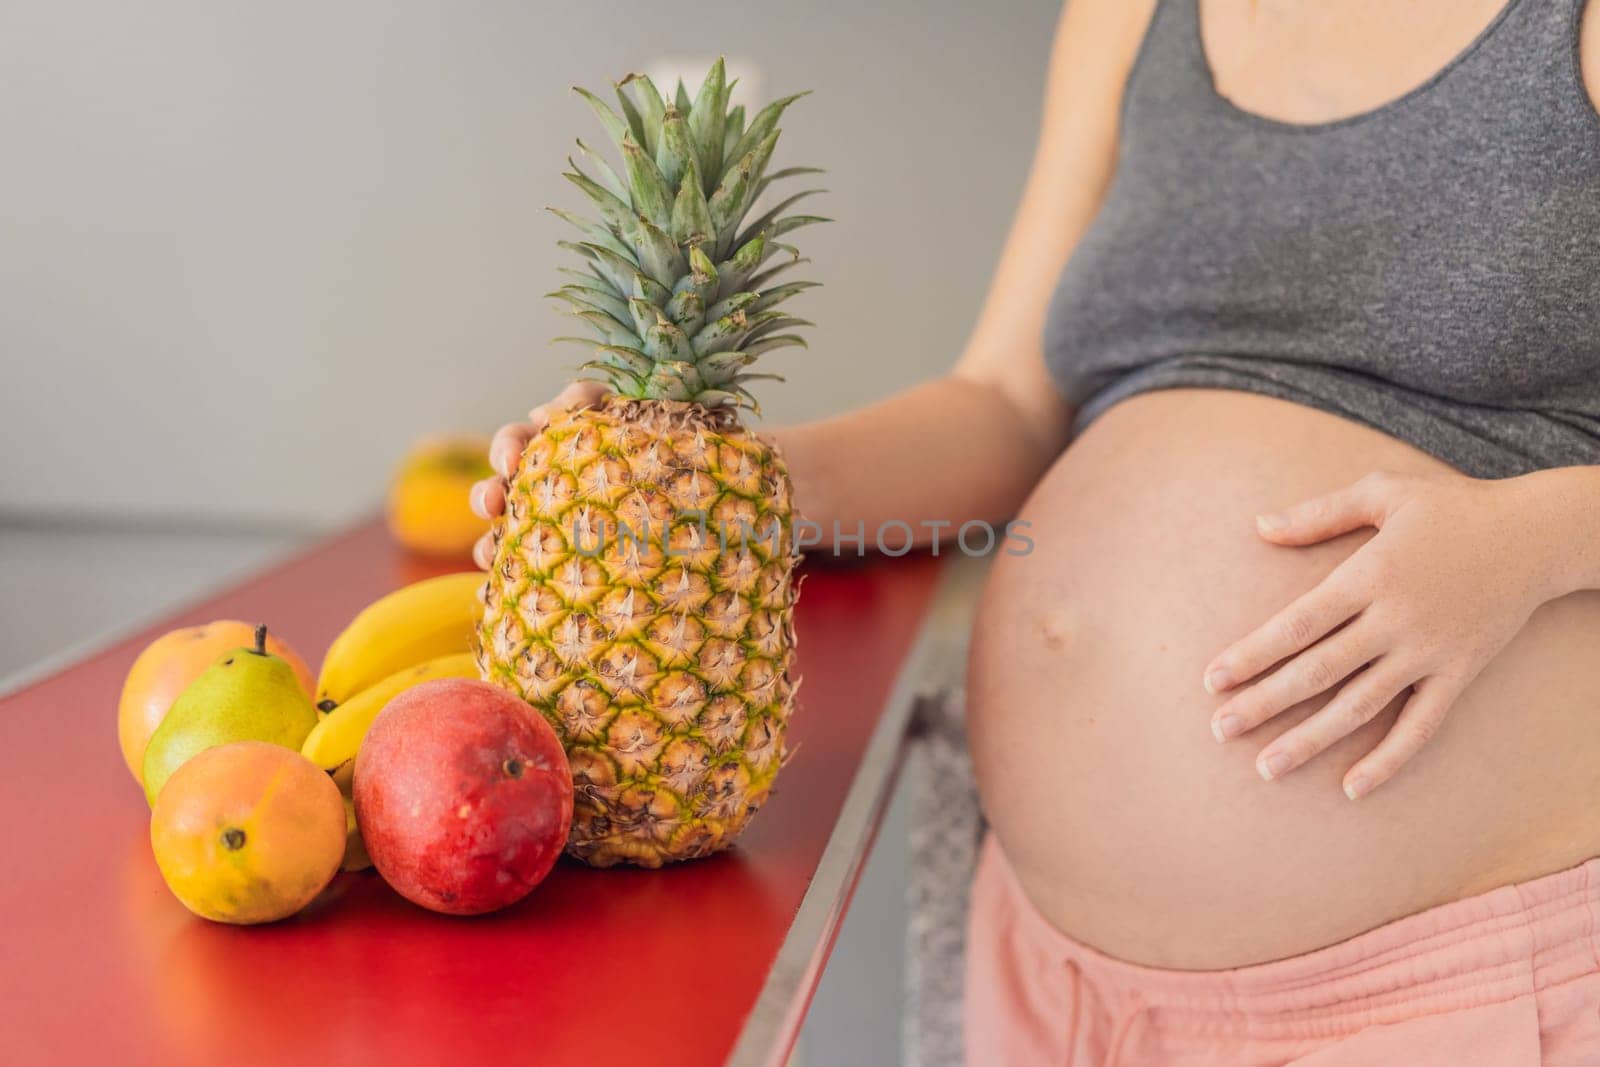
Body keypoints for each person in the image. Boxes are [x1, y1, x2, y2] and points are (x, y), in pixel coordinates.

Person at [473, 1, 1600, 1061]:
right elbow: (1008, 402)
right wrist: (708, 484)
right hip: (1057, 988)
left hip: (1446, 983)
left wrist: (1530, 538)